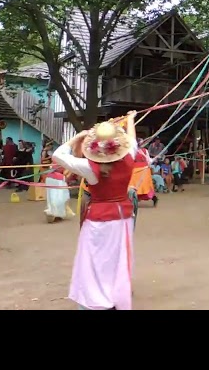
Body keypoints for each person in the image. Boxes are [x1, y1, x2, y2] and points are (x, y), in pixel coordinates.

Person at [52, 111, 138, 310]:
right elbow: (133, 141)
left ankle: (96, 301)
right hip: (122, 219)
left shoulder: (90, 167)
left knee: (95, 261)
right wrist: (130, 120)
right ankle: (115, 298)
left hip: (99, 221)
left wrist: (78, 136)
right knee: (117, 260)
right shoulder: (129, 159)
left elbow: (58, 156)